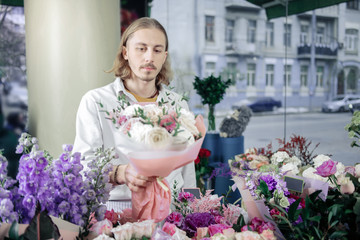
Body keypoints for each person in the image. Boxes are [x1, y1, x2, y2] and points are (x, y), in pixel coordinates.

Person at [73, 17, 196, 211]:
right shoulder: (96, 102)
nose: (149, 57)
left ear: (164, 56)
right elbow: (82, 166)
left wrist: (192, 211)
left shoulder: (178, 104)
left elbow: (188, 170)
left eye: (157, 50)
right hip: (118, 209)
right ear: (125, 53)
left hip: (172, 210)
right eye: (141, 48)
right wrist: (120, 173)